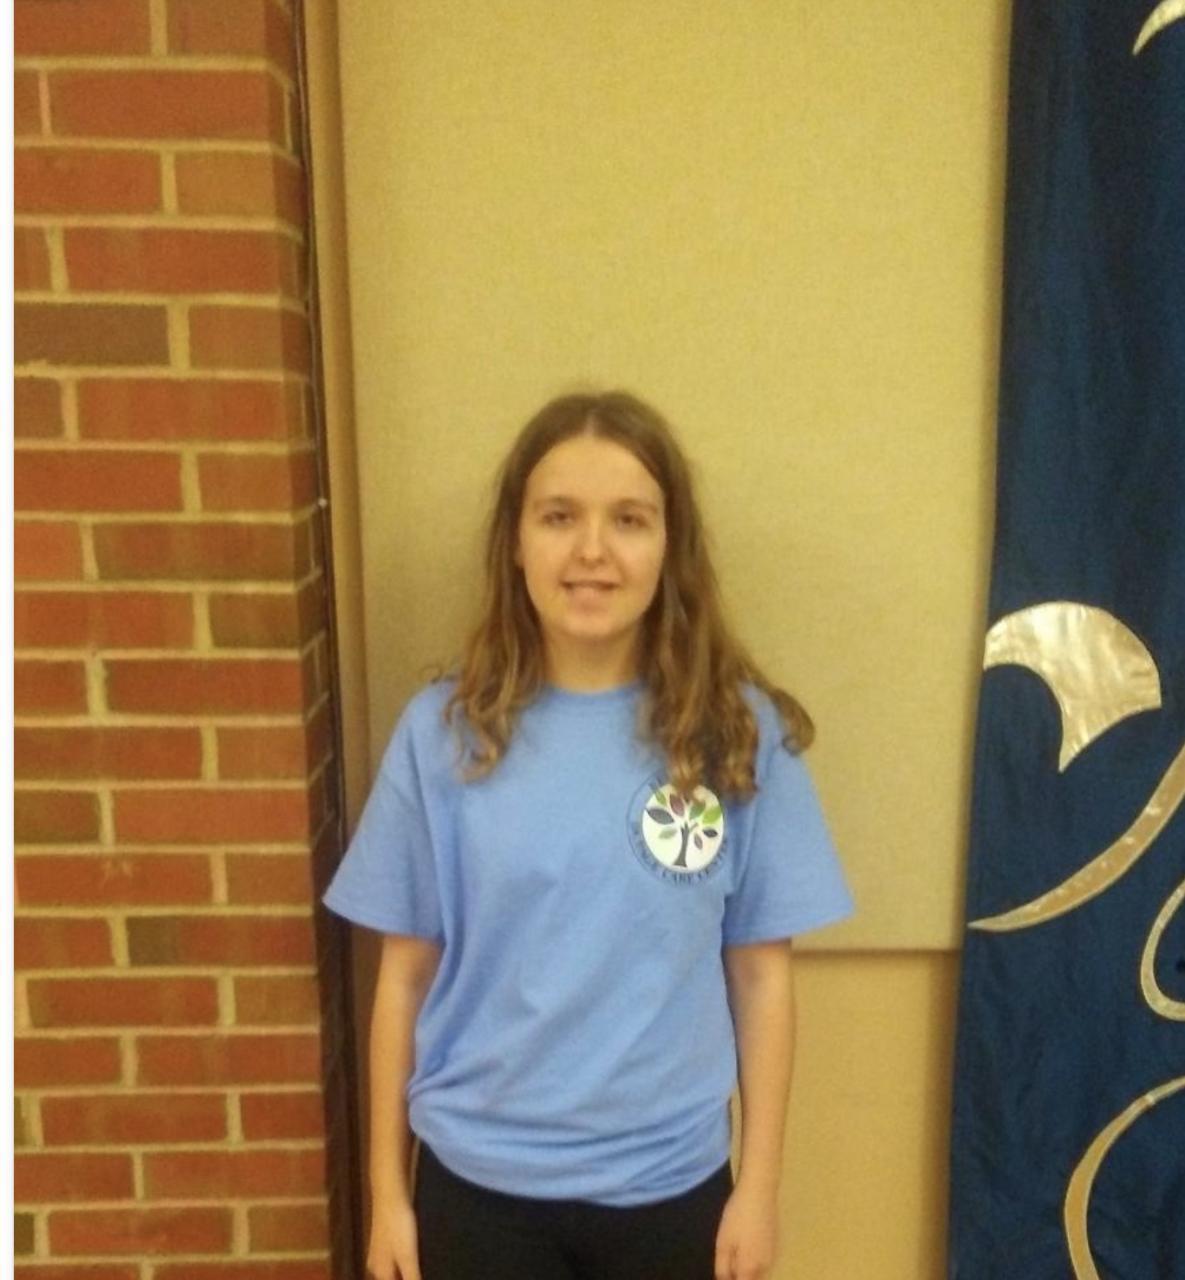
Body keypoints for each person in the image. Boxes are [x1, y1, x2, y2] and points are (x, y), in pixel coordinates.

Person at [323, 389, 853, 1280]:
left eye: (629, 520)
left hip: (671, 1190)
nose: (592, 551)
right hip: (478, 1192)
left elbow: (761, 978)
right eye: (559, 517)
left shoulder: (732, 734)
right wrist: (386, 1194)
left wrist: (758, 1189)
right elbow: (402, 978)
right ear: (515, 541)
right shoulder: (442, 734)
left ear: (669, 547)